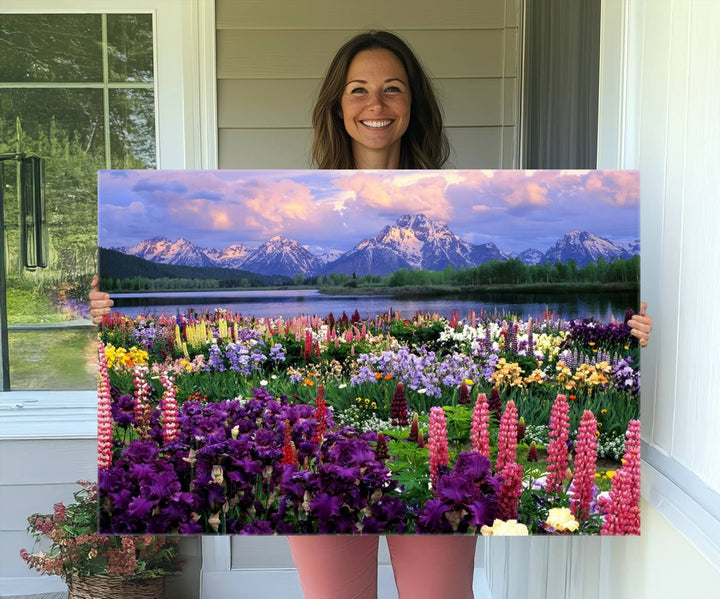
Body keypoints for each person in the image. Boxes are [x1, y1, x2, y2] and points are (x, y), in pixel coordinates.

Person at [89, 30, 653, 599]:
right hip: (321, 449)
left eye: (393, 89)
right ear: (338, 105)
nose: (376, 105)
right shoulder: (307, 198)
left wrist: (626, 335)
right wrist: (106, 310)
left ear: (413, 105)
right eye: (358, 90)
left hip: (438, 468)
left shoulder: (451, 195)